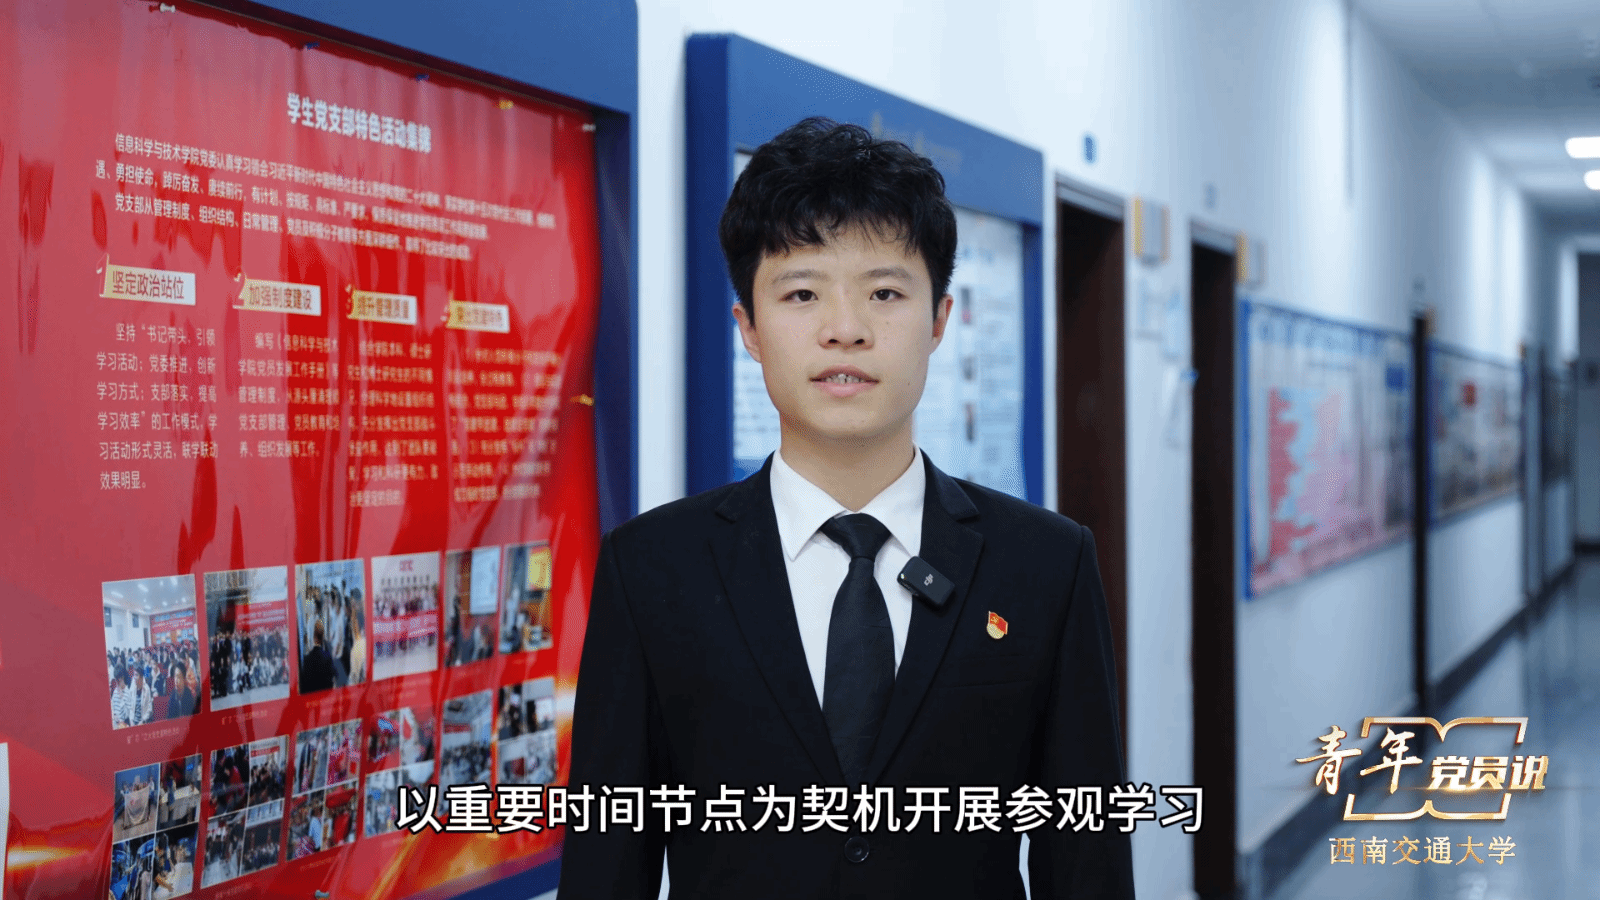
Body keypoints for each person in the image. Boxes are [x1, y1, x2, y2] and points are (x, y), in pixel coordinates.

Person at [562, 118, 1133, 898]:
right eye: (802, 294)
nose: (845, 330)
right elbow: (606, 862)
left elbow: (1088, 859)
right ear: (749, 328)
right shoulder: (654, 569)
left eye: (885, 293)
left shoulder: (1045, 564)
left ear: (939, 320)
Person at [299, 620, 336, 694]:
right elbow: (331, 684)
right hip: (325, 698)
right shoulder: (328, 659)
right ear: (322, 637)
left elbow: (303, 688)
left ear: (314, 637)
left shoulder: (306, 660)